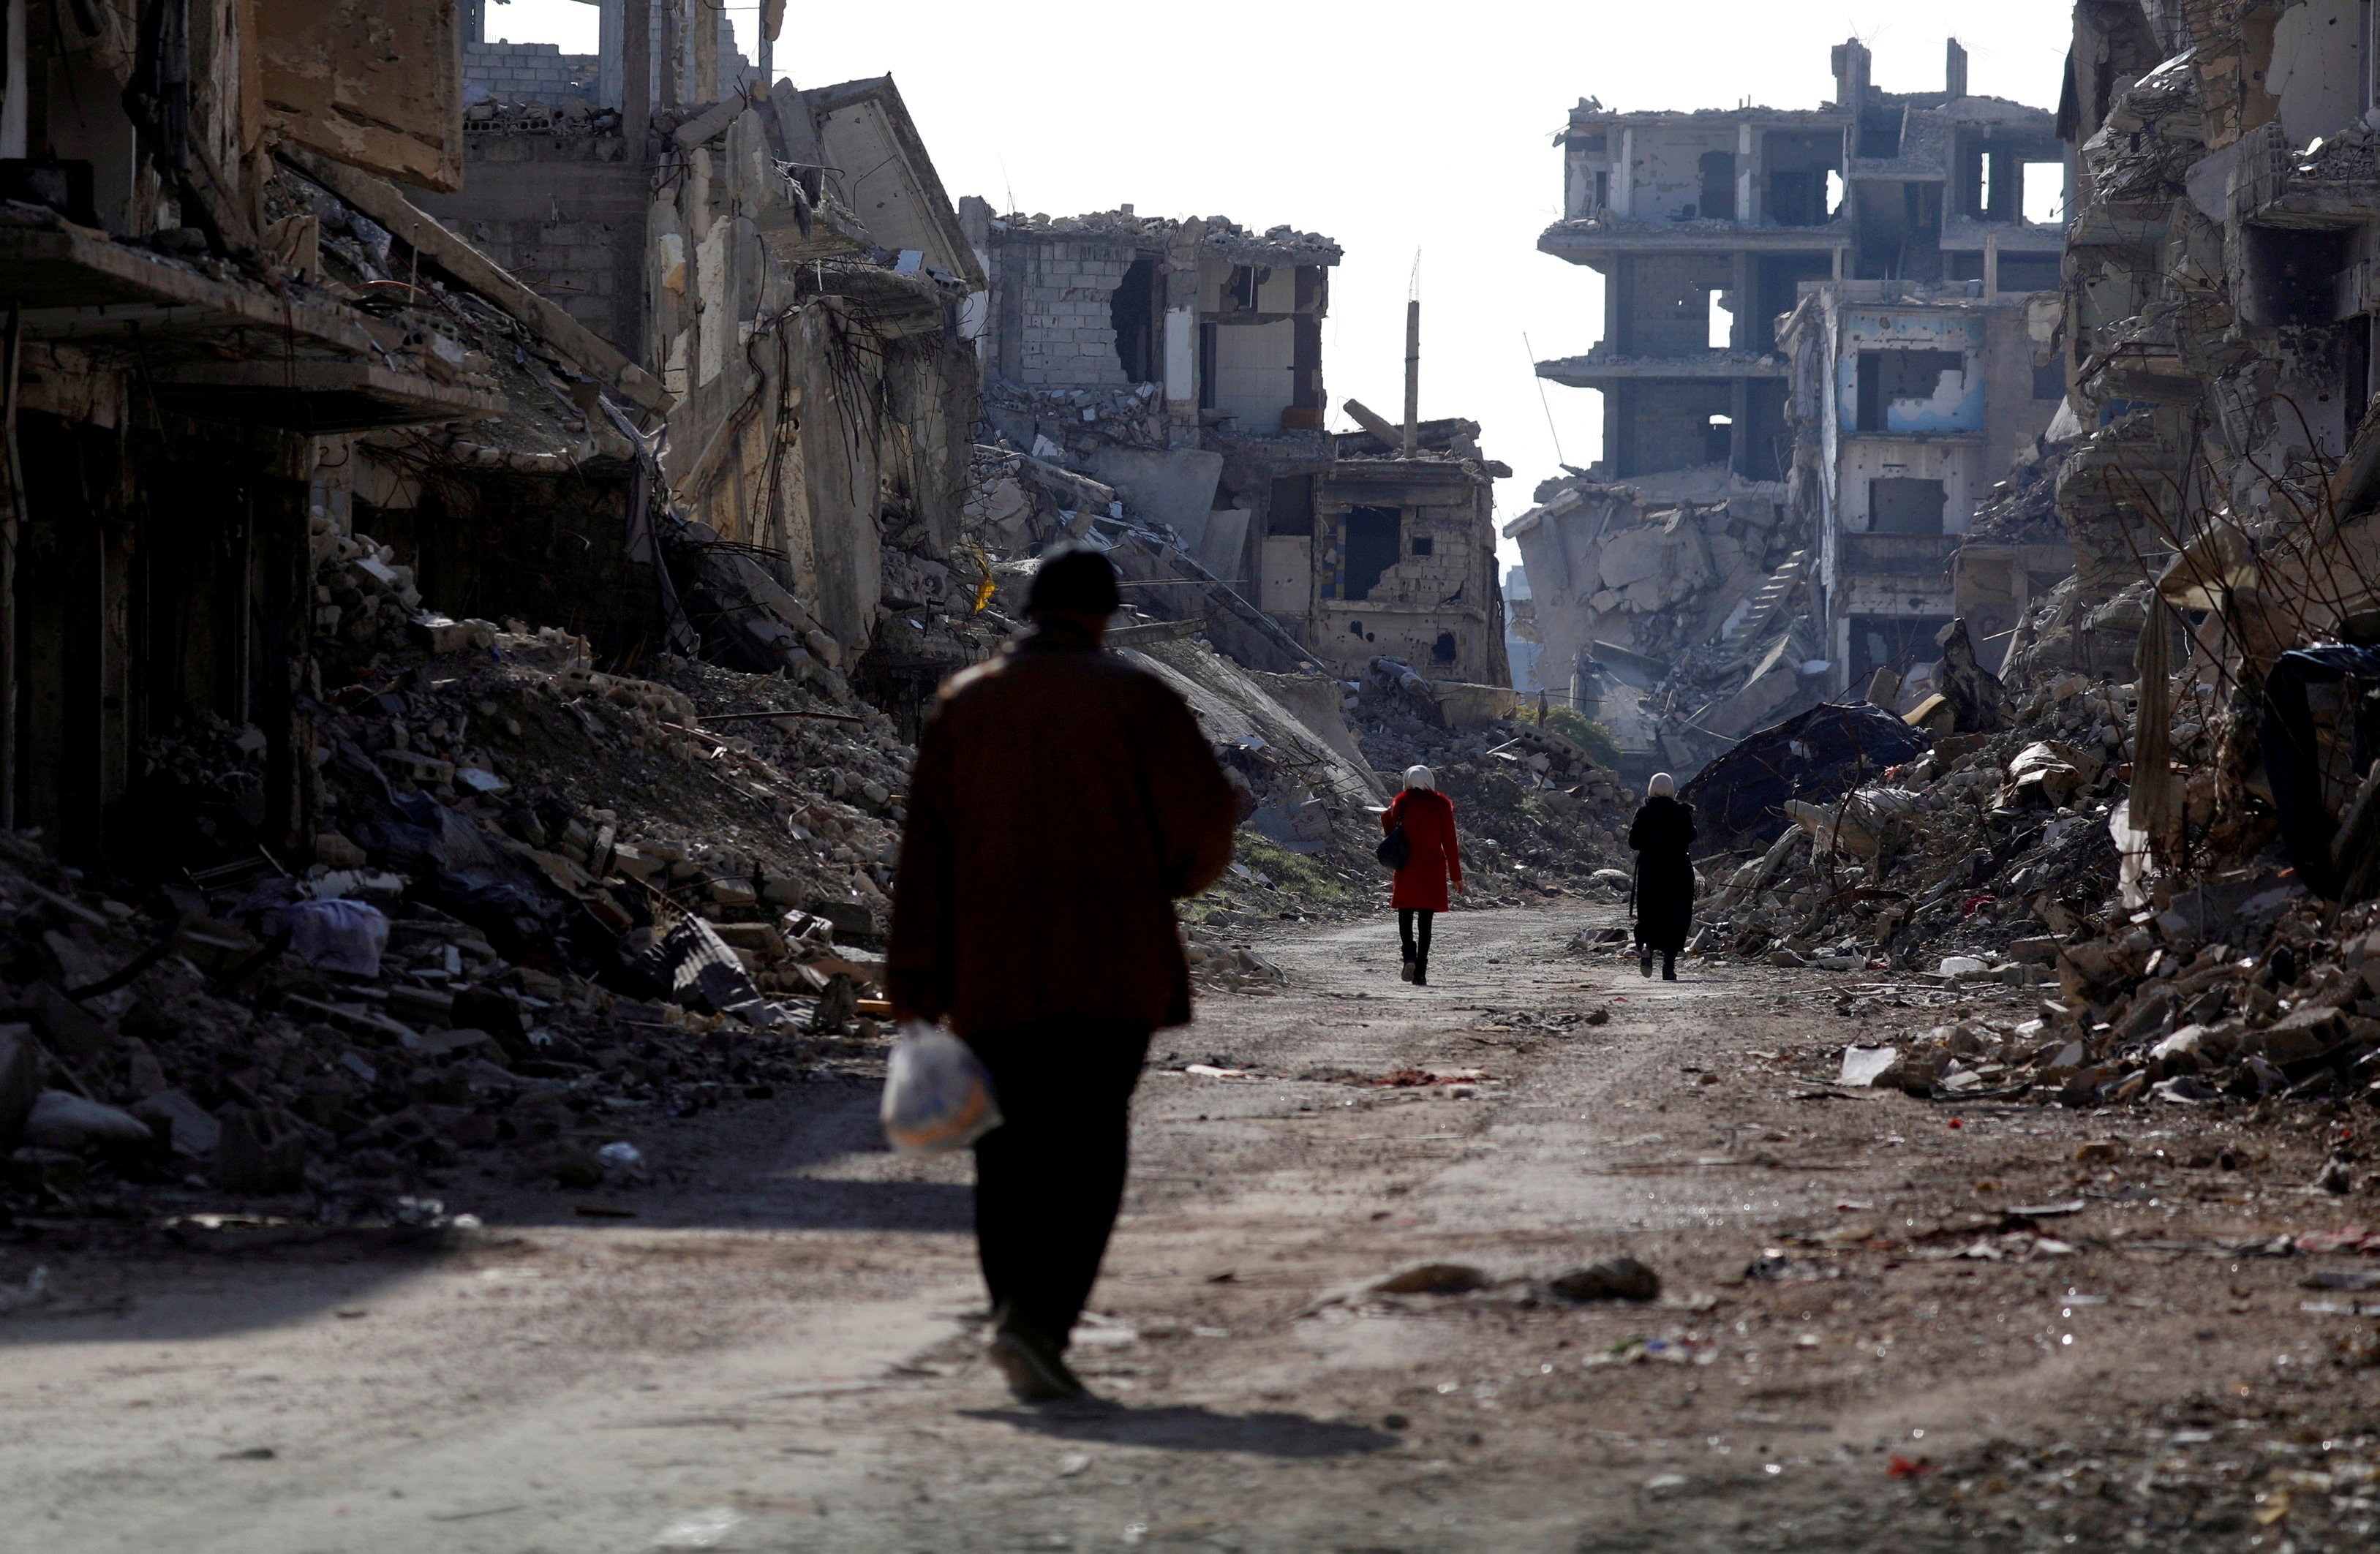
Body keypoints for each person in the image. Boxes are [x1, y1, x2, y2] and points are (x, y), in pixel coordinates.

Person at [886, 545, 1238, 1405]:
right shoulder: (1140, 701)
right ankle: (1039, 1323)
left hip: (992, 971)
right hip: (1110, 966)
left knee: (1004, 1153)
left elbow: (924, 856)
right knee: (1087, 1147)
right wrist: (1158, 880)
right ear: (1106, 613)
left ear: (1029, 608)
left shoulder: (965, 705)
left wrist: (915, 979)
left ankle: (1014, 1308)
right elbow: (1202, 830)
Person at [1381, 764, 1464, 987]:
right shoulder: (1441, 806)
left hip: (1407, 866)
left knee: (1405, 914)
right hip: (1432, 869)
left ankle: (1409, 956)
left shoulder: (1402, 802)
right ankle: (1421, 972)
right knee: (1426, 922)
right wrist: (1456, 876)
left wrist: (1387, 816)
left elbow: (1391, 834)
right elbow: (1450, 843)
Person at [1627, 772, 1697, 981]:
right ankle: (1669, 967)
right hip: (1678, 873)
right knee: (1676, 916)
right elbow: (1691, 836)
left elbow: (1633, 842)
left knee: (1650, 914)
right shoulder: (1682, 812)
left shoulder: (1644, 812)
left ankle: (1647, 947)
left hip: (1651, 872)